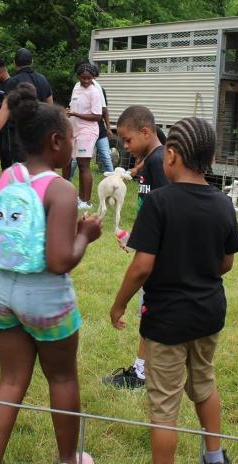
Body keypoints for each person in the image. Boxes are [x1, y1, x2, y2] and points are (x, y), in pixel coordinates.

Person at [0, 83, 102, 464]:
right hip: (44, 299)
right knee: (62, 378)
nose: (74, 143)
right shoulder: (60, 190)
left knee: (11, 380)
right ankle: (68, 460)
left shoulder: (6, 177)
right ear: (55, 142)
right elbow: (61, 260)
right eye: (71, 137)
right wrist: (85, 235)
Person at [109, 116, 238, 464]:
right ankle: (214, 456)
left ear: (171, 156)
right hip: (208, 314)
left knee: (165, 406)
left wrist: (118, 305)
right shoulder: (223, 204)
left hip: (167, 321)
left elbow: (141, 266)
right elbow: (226, 263)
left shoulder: (160, 203)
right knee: (204, 385)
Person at [103, 104, 169, 390]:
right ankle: (144, 370)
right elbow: (150, 209)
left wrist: (149, 244)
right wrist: (136, 237)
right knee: (150, 309)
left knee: (149, 309)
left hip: (159, 253)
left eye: (128, 140)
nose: (126, 147)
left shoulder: (159, 162)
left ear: (146, 132)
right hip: (151, 245)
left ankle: (143, 373)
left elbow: (167, 208)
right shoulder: (151, 160)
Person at [0, 48, 53, 166]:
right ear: (32, 61)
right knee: (38, 166)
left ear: (15, 64)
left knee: (22, 168)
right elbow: (50, 106)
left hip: (20, 134)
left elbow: (5, 108)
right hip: (40, 132)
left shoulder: (13, 82)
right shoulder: (43, 79)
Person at [68, 61, 104, 209]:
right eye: (83, 78)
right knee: (77, 163)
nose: (86, 81)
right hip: (75, 130)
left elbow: (97, 116)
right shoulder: (76, 87)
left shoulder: (94, 92)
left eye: (89, 78)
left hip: (88, 131)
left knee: (84, 165)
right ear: (78, 77)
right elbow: (73, 106)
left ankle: (86, 201)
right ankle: (80, 198)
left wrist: (75, 113)